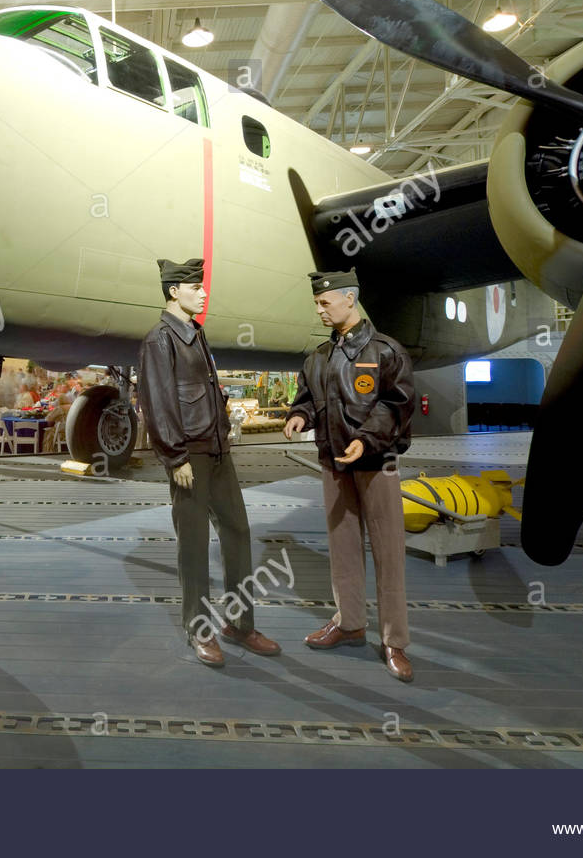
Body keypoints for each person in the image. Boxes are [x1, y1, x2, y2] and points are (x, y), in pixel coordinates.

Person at [138, 257, 281, 668]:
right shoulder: (159, 340)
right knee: (195, 545)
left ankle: (240, 624)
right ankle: (198, 629)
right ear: (173, 291)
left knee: (237, 530)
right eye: (195, 287)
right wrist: (174, 456)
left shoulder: (193, 334)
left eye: (202, 287)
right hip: (190, 455)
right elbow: (158, 403)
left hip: (218, 450)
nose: (203, 293)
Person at [284, 268, 417, 683]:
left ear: (349, 299)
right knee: (342, 550)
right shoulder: (318, 358)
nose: (319, 310)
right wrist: (298, 416)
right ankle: (350, 623)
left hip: (377, 465)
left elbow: (397, 403)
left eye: (325, 302)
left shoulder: (386, 351)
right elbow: (308, 399)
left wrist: (366, 439)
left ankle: (394, 641)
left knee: (388, 554)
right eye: (317, 303)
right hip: (334, 466)